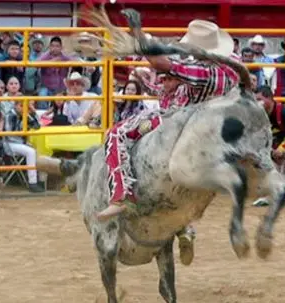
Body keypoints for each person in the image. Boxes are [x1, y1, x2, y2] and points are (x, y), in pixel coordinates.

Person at [96, 19, 240, 221]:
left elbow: (161, 63)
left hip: (180, 121)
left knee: (115, 133)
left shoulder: (205, 73)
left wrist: (138, 37)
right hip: (209, 123)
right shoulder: (231, 67)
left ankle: (121, 196)